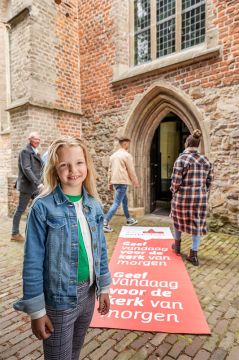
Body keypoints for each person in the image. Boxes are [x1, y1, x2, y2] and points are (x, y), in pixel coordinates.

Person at [13, 137, 111, 360]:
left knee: (74, 352)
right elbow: (32, 263)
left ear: (87, 165)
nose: (73, 170)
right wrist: (37, 311)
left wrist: (104, 287)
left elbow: (101, 250)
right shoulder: (42, 207)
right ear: (55, 170)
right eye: (64, 164)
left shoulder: (94, 205)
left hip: (88, 293)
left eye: (79, 163)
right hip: (59, 299)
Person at [170, 129, 213, 266]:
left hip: (182, 198)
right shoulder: (206, 160)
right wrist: (202, 192)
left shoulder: (181, 159)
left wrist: (173, 190)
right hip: (199, 199)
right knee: (197, 223)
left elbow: (176, 182)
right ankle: (193, 254)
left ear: (187, 143)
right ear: (198, 145)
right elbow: (209, 181)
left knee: (177, 220)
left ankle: (177, 246)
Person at [11, 132, 44, 241]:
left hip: (35, 187)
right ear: (29, 139)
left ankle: (33, 233)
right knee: (21, 209)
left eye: (39, 139)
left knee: (36, 208)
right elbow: (26, 169)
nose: (37, 141)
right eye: (35, 139)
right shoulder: (25, 151)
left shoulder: (36, 152)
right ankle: (14, 234)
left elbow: (39, 168)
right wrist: (38, 183)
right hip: (27, 186)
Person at [103, 136, 140, 232]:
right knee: (116, 203)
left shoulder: (113, 156)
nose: (129, 145)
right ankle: (105, 223)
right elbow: (131, 170)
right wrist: (135, 181)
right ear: (125, 144)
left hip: (115, 182)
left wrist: (109, 183)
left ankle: (129, 219)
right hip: (122, 182)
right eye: (128, 143)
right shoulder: (127, 156)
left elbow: (110, 171)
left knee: (124, 201)